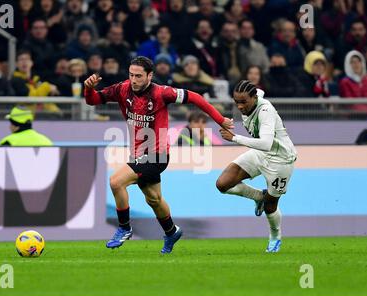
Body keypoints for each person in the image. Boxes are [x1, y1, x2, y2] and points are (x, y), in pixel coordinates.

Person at [84, 56, 233, 253]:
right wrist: (88, 88)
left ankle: (124, 227)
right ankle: (171, 231)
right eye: (131, 75)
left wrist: (221, 119)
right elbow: (92, 100)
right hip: (137, 154)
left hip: (157, 154)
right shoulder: (122, 89)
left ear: (150, 76)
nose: (134, 79)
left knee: (115, 182)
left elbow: (196, 97)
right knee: (153, 199)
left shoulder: (162, 93)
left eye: (138, 76)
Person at [216, 80, 297, 253]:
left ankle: (275, 238)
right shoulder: (254, 95)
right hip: (260, 154)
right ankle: (259, 197)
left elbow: (266, 143)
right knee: (223, 184)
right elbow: (259, 90)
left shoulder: (265, 111)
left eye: (243, 101)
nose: (239, 106)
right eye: (236, 101)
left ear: (254, 98)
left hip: (280, 159)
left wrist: (234, 138)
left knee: (271, 206)